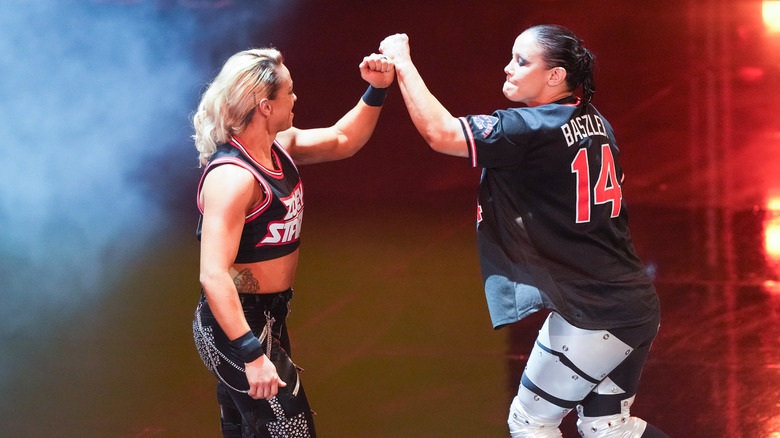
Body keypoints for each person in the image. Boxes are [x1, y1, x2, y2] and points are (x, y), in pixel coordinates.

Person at [379, 26, 669, 438]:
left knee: (531, 422)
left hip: (593, 310)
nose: (508, 68)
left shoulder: (529, 128)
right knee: (607, 425)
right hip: (633, 303)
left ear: (555, 76)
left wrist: (403, 62)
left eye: (522, 61)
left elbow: (439, 133)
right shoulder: (596, 122)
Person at [191, 47, 394, 437]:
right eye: (289, 91)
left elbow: (342, 139)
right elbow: (213, 274)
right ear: (265, 106)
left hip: (269, 317)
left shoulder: (278, 145)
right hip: (236, 326)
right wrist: (251, 354)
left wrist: (376, 90)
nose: (296, 98)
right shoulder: (234, 178)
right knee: (292, 431)